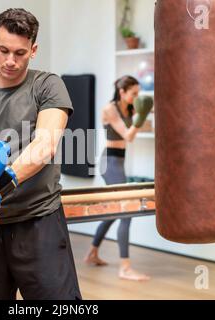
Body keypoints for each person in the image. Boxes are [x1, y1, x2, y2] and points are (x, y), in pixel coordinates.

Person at [0, 8, 81, 300]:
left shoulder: (47, 85)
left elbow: (45, 146)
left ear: (33, 50)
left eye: (20, 53)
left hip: (38, 221)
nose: (10, 61)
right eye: (4, 50)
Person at [84, 75, 153, 281]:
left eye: (138, 94)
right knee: (126, 209)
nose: (137, 97)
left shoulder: (130, 108)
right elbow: (128, 136)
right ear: (122, 92)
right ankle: (125, 267)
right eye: (134, 93)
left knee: (114, 212)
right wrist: (142, 116)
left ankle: (92, 253)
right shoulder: (110, 109)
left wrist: (147, 112)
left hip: (119, 162)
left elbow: (141, 127)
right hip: (110, 163)